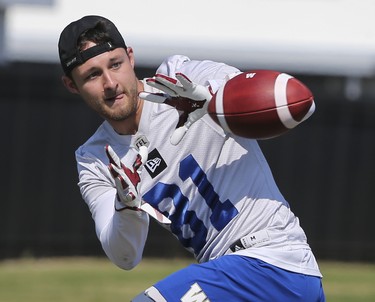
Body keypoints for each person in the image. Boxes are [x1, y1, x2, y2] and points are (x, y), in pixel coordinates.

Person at [58, 15, 325, 301]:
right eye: (92, 75)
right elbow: (125, 257)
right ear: (72, 85)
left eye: (115, 64)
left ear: (131, 58)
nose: (110, 83)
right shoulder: (95, 158)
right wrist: (126, 207)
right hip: (230, 275)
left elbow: (298, 103)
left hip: (273, 261)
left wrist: (214, 103)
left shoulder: (181, 76)